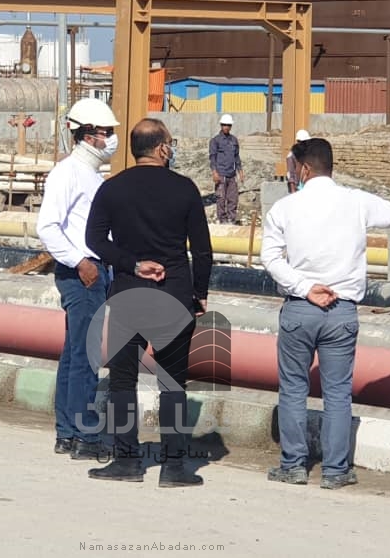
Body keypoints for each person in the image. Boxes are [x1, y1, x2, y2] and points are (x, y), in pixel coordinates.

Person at [261, 138, 390, 488]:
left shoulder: (284, 208)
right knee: (338, 392)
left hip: (300, 310)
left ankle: (293, 465)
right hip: (341, 311)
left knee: (293, 389)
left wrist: (305, 287)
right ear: (330, 166)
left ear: (304, 169)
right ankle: (335, 471)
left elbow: (271, 258)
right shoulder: (357, 202)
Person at [85, 118, 213, 487]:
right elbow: (202, 251)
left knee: (122, 381)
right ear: (162, 148)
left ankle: (126, 460)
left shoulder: (112, 188)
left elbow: (95, 239)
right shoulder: (184, 188)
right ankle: (173, 467)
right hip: (174, 294)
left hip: (129, 294)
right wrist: (199, 293)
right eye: (170, 143)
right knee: (173, 383)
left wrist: (132, 264)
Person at [36, 97, 119, 461]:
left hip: (91, 270)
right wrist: (81, 262)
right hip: (82, 273)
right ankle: (84, 436)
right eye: (106, 132)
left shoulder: (92, 175)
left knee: (74, 354)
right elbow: (47, 227)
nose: (111, 139)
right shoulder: (67, 173)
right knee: (85, 356)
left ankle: (68, 433)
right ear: (88, 135)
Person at [209, 114, 244, 224]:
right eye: (224, 125)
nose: (226, 127)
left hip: (231, 175)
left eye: (228, 125)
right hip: (221, 174)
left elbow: (236, 156)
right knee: (221, 198)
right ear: (221, 125)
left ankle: (231, 219)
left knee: (233, 199)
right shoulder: (215, 141)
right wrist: (214, 172)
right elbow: (212, 157)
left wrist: (240, 171)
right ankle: (222, 220)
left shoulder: (234, 140)